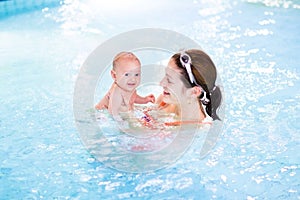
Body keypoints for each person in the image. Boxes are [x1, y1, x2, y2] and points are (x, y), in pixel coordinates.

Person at [156, 49, 222, 125]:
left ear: (194, 92)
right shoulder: (164, 101)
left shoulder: (196, 128)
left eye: (170, 80)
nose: (161, 83)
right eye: (165, 75)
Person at [95, 51, 155, 117]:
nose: (133, 79)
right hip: (101, 114)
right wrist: (120, 121)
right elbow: (111, 112)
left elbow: (133, 97)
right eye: (127, 74)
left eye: (136, 74)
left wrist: (144, 99)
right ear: (114, 76)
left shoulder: (128, 86)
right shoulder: (117, 92)